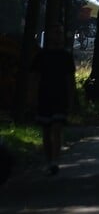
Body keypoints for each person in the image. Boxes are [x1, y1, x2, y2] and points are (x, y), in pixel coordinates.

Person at [30, 24, 76, 176]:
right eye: (55, 32)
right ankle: (49, 159)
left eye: (60, 33)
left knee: (56, 128)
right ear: (49, 36)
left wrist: (71, 101)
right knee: (46, 130)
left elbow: (70, 80)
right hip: (44, 96)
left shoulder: (66, 56)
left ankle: (55, 160)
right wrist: (33, 98)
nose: (58, 36)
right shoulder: (41, 56)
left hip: (60, 97)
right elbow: (35, 78)